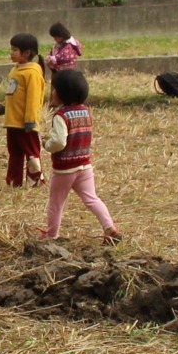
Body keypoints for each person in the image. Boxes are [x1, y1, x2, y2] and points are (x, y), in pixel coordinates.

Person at [38, 69, 122, 244]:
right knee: (92, 198)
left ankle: (52, 235)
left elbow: (59, 142)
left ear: (61, 92)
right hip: (85, 165)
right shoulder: (85, 111)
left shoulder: (61, 116)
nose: (51, 92)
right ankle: (109, 227)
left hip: (65, 170)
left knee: (56, 203)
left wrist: (46, 144)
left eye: (54, 89)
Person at [0, 33, 46, 187]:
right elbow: (11, 93)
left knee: (32, 154)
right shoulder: (15, 70)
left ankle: (35, 180)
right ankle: (14, 182)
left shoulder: (32, 73)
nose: (11, 53)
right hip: (12, 122)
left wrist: (30, 121)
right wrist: (3, 106)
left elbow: (33, 99)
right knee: (15, 154)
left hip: (26, 124)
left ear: (27, 53)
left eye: (14, 50)